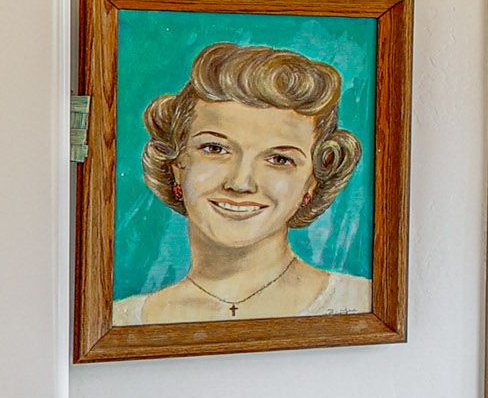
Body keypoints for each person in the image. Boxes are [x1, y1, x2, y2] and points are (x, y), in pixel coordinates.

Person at [112, 40, 371, 325]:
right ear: (176, 165)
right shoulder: (123, 318)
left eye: (280, 160)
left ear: (312, 182)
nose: (240, 183)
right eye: (214, 149)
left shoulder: (361, 302)